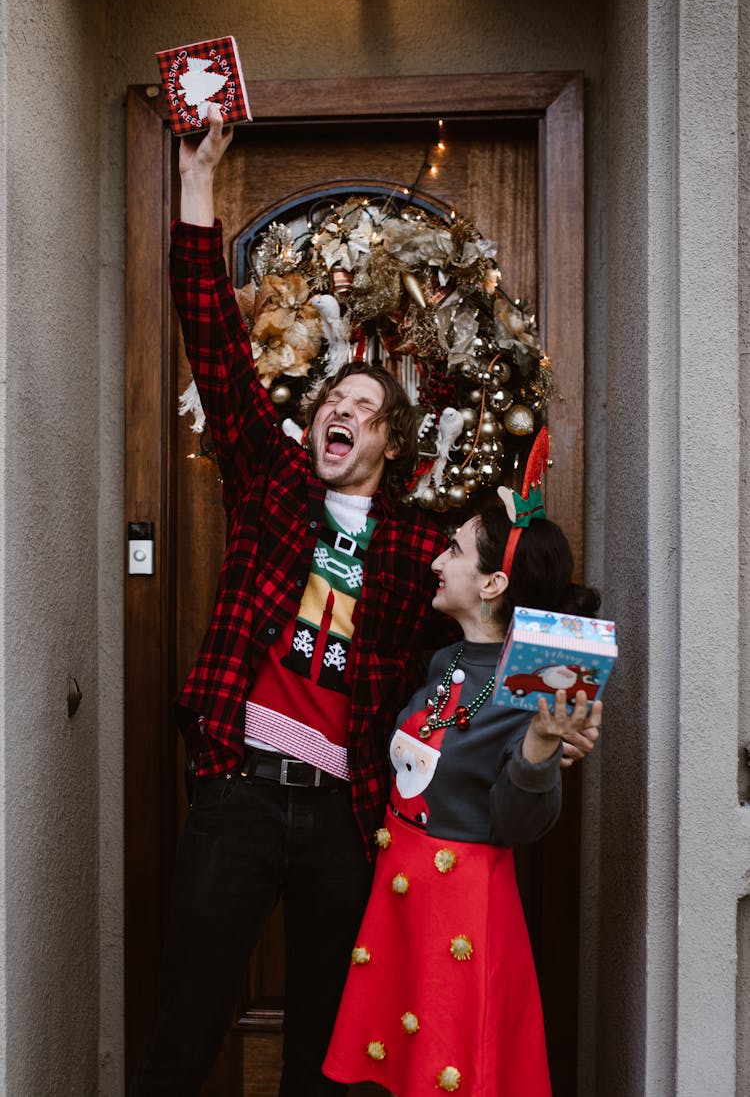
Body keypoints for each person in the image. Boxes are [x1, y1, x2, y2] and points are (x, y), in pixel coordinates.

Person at [129, 104, 600, 1097]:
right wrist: (197, 184)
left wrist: (564, 704)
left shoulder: (419, 545)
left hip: (350, 814)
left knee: (329, 1057)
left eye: (366, 408)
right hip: (239, 789)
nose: (341, 411)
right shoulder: (268, 480)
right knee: (184, 1029)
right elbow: (213, 340)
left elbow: (513, 580)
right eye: (331, 403)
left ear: (393, 444)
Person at [323, 504, 602, 1096]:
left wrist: (542, 745)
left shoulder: (535, 685)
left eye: (452, 550)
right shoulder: (444, 660)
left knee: (449, 1066)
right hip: (402, 893)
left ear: (493, 583)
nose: (435, 560)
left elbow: (519, 822)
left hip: (461, 910)